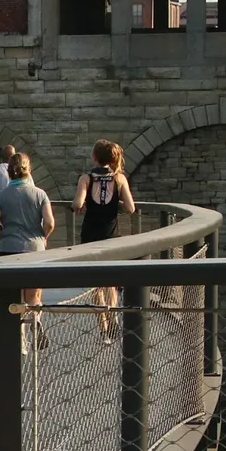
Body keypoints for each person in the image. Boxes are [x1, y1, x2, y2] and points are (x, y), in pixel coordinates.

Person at [0, 152, 54, 353]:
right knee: (34, 295)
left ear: (8, 172)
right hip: (35, 249)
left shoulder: (0, 196)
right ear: (29, 170)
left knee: (13, 298)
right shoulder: (40, 194)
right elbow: (50, 222)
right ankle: (35, 320)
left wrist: (0, 230)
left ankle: (21, 341)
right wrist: (43, 237)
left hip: (8, 249)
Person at [71, 139, 137, 342]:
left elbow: (77, 204)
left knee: (96, 285)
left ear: (94, 157)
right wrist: (116, 201)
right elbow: (131, 208)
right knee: (111, 282)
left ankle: (104, 329)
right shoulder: (119, 179)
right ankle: (113, 317)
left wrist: (82, 204)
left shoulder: (86, 178)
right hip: (111, 235)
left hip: (90, 235)